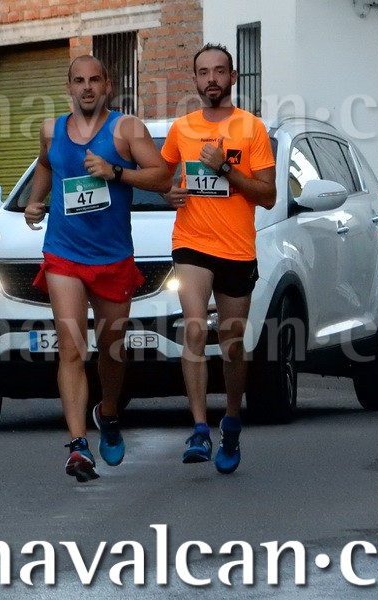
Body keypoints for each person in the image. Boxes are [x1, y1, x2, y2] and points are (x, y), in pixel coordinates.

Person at [24, 55, 171, 482]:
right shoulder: (51, 129)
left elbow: (162, 177)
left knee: (111, 349)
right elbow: (47, 164)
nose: (86, 87)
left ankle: (108, 412)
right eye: (78, 80)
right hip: (63, 253)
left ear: (108, 85)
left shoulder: (127, 129)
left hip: (112, 256)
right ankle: (77, 445)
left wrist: (115, 171)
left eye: (94, 80)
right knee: (72, 348)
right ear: (68, 87)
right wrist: (35, 201)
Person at [161, 44, 276, 474]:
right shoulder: (182, 128)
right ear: (194, 79)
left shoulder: (251, 128)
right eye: (204, 72)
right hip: (191, 242)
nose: (211, 79)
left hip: (237, 248)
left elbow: (268, 195)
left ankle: (230, 420)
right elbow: (161, 176)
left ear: (233, 77)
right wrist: (168, 193)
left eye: (219, 71)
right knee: (194, 327)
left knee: (231, 343)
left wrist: (226, 169)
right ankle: (198, 428)